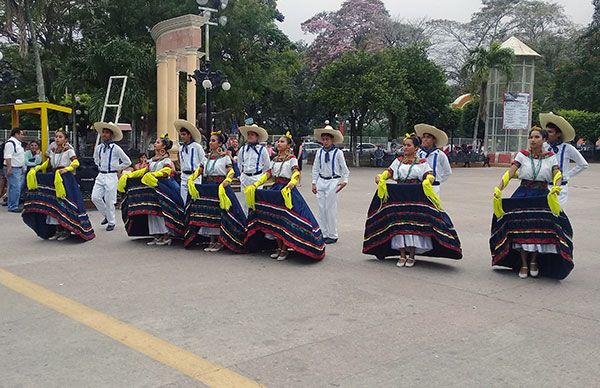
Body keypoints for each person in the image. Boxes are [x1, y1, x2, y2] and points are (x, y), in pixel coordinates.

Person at [363, 133, 462, 267]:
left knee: (413, 224)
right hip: (398, 196)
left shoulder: (422, 162)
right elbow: (389, 172)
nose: (405, 148)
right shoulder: (398, 161)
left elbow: (429, 174)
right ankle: (402, 254)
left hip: (415, 196)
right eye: (404, 145)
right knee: (399, 224)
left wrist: (429, 180)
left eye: (408, 145)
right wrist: (381, 177)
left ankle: (412, 255)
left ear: (416, 148)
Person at [491, 127, 573, 280]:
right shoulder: (522, 155)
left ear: (543, 140)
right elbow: (510, 172)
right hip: (523, 193)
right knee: (521, 229)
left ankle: (534, 261)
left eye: (536, 137)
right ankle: (523, 263)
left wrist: (556, 186)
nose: (533, 140)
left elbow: (557, 173)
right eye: (531, 137)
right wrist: (499, 188)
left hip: (542, 195)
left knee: (538, 229)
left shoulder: (550, 156)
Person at [245, 132, 325, 261]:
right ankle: (278, 247)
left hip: (287, 191)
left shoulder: (292, 158)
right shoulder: (275, 159)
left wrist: (292, 183)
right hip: (276, 190)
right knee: (276, 220)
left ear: (288, 146)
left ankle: (285, 249)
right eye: (278, 141)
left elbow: (296, 172)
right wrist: (256, 184)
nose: (278, 143)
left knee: (286, 220)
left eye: (282, 142)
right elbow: (268, 174)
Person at [22, 128, 95, 241]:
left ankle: (67, 230)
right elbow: (49, 162)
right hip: (54, 178)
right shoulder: (53, 149)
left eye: (60, 137)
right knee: (54, 205)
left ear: (65, 139)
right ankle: (57, 230)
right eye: (56, 137)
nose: (57, 139)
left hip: (65, 179)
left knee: (64, 203)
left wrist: (67, 169)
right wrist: (38, 168)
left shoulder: (68, 150)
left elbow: (76, 162)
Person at [184, 131, 247, 252]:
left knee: (221, 214)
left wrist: (228, 179)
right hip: (208, 187)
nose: (210, 142)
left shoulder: (225, 157)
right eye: (210, 140)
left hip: (220, 188)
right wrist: (192, 178)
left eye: (213, 140)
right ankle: (212, 240)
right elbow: (200, 170)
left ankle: (220, 241)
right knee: (210, 214)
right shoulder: (206, 157)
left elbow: (231, 171)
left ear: (220, 143)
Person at [119, 134, 185, 246]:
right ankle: (156, 235)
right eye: (156, 142)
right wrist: (129, 175)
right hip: (152, 187)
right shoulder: (152, 160)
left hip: (164, 186)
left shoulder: (167, 160)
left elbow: (168, 171)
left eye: (158, 142)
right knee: (152, 210)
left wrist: (155, 174)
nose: (155, 144)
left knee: (163, 210)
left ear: (163, 147)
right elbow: (144, 171)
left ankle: (167, 235)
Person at [540, 112, 589, 208]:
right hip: (543, 186)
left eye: (550, 132)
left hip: (560, 188)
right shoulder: (543, 146)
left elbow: (583, 164)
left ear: (558, 134)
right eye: (546, 131)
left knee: (558, 214)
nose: (547, 134)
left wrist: (567, 175)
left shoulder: (567, 148)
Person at [311, 124, 349, 244]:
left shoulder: (338, 153)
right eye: (323, 139)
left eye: (327, 139)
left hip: (333, 181)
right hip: (322, 180)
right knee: (321, 208)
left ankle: (332, 234)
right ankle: (323, 232)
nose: (325, 141)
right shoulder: (319, 152)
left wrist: (344, 181)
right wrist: (314, 182)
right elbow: (315, 168)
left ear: (332, 140)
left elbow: (345, 169)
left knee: (330, 209)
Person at [91, 122, 132, 231]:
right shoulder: (99, 148)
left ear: (111, 135)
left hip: (111, 175)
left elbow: (127, 161)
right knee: (95, 197)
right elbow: (95, 159)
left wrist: (117, 167)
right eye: (103, 132)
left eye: (107, 133)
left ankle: (111, 222)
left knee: (110, 200)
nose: (104, 135)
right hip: (101, 174)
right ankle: (107, 215)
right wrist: (99, 165)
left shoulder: (116, 148)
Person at [237, 124, 271, 214]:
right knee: (244, 202)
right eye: (248, 134)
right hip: (245, 178)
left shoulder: (262, 150)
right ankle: (246, 223)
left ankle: (257, 222)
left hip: (256, 178)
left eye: (252, 134)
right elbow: (239, 163)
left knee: (257, 201)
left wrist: (260, 175)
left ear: (257, 137)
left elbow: (267, 165)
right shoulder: (243, 149)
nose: (250, 136)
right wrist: (242, 174)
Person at [415, 124, 452, 195]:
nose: (425, 139)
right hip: (419, 185)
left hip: (434, 186)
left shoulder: (440, 155)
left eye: (428, 137)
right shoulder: (418, 154)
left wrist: (438, 180)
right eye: (424, 137)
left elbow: (447, 171)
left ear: (434, 140)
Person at [176, 119, 205, 203]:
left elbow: (203, 160)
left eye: (184, 134)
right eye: (181, 135)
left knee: (195, 198)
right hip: (184, 175)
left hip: (195, 175)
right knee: (183, 199)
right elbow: (182, 162)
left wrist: (199, 172)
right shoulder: (181, 148)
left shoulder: (197, 147)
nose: (182, 136)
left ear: (189, 135)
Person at [3, 128, 25, 213]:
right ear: (16, 134)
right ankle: (13, 206)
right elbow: (8, 156)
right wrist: (9, 168)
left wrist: (22, 166)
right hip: (13, 168)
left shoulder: (17, 143)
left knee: (13, 187)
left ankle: (12, 204)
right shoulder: (10, 144)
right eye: (21, 134)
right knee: (16, 188)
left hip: (17, 168)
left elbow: (18, 156)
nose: (22, 136)